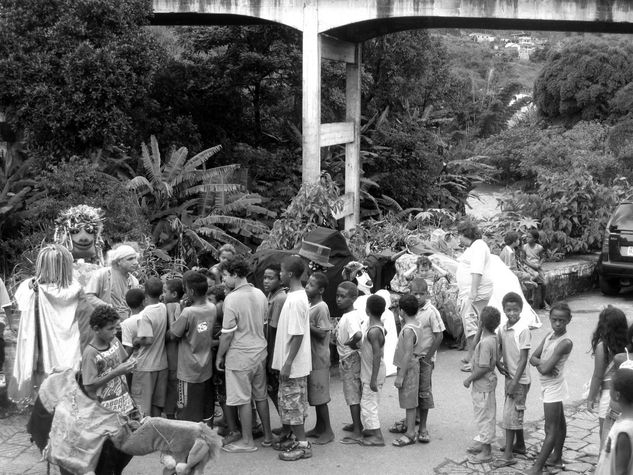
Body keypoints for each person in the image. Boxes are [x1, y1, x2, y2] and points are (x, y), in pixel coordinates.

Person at [10, 244, 85, 405]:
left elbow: (20, 305)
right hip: (65, 346)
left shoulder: (31, 287)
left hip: (41, 346)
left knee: (45, 383)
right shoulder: (75, 288)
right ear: (66, 265)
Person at [217, 257, 272, 453]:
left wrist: (219, 357)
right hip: (259, 352)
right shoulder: (260, 294)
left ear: (234, 274)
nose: (223, 281)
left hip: (240, 355)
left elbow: (227, 334)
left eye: (224, 276)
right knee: (260, 396)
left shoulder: (231, 298)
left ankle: (247, 441)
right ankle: (267, 436)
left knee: (242, 399)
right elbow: (264, 325)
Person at [272, 255, 313, 461]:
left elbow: (297, 334)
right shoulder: (294, 296)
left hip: (294, 364)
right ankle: (296, 439)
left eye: (280, 270)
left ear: (289, 274)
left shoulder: (296, 300)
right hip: (293, 362)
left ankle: (303, 445)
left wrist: (287, 363)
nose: (279, 274)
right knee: (293, 404)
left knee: (293, 405)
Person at [527, 302, 573, 475]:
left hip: (554, 387)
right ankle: (556, 457)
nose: (558, 324)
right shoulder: (549, 335)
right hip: (550, 385)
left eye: (562, 320)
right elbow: (533, 358)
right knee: (559, 423)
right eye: (554, 320)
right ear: (550, 319)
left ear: (569, 320)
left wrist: (541, 364)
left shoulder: (565, 342)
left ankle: (537, 468)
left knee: (550, 429)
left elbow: (545, 369)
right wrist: (542, 363)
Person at [168, 271, 216, 422]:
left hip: (188, 371)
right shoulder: (212, 307)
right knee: (205, 408)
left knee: (186, 411)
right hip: (206, 366)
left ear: (191, 291)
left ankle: (189, 441)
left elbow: (173, 335)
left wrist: (175, 313)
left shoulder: (188, 312)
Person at [494, 291, 531, 468]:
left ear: (521, 310)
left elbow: (524, 359)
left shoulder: (523, 330)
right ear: (504, 310)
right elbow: (500, 348)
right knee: (514, 414)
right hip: (510, 377)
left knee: (509, 417)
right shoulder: (503, 328)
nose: (512, 313)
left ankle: (508, 455)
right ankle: (520, 445)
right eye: (508, 310)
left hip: (520, 380)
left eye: (515, 310)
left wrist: (515, 383)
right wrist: (498, 361)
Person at [81, 305, 137, 415]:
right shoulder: (91, 353)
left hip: (124, 402)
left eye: (116, 328)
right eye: (110, 329)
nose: (115, 332)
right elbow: (89, 386)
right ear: (97, 329)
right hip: (105, 410)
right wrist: (115, 373)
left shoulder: (114, 341)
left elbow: (121, 362)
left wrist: (131, 364)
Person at [455, 219, 494, 372]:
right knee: (477, 326)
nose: (458, 238)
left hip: (475, 294)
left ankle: (476, 361)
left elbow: (477, 271)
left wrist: (472, 293)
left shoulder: (478, 247)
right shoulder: (476, 246)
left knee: (473, 327)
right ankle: (473, 356)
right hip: (474, 293)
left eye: (459, 235)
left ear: (465, 234)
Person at [463, 306, 500, 463]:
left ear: (481, 323)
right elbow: (474, 346)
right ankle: (484, 445)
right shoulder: (494, 338)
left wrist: (469, 378)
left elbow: (484, 367)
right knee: (486, 416)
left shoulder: (485, 344)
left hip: (482, 386)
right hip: (487, 385)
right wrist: (480, 327)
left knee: (484, 418)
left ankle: (486, 452)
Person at [587, 306, 629, 446]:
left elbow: (598, 376)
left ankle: (604, 464)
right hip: (624, 392)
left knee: (605, 434)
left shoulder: (603, 347)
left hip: (608, 395)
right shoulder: (628, 345)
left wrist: (591, 398)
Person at [130, 277, 168, 417]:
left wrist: (135, 341)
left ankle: (144, 436)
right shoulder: (163, 307)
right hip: (161, 364)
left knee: (142, 406)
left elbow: (148, 339)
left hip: (145, 366)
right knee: (157, 404)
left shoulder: (145, 314)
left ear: (145, 294)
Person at [304, 272, 334, 445]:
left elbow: (323, 332)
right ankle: (319, 427)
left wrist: (306, 324)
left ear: (321, 289)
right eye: (308, 283)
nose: (308, 286)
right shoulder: (310, 305)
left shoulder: (321, 307)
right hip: (312, 357)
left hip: (319, 358)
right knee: (315, 394)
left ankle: (328, 431)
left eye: (312, 285)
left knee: (320, 396)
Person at [335, 282, 365, 444]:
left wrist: (350, 344)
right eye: (337, 296)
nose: (338, 299)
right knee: (354, 392)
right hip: (350, 358)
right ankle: (357, 423)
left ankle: (357, 431)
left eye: (343, 296)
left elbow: (358, 335)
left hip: (350, 359)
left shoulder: (350, 316)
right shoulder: (351, 314)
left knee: (352, 394)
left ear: (353, 298)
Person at [85, 244, 140, 330]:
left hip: (124, 327)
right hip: (102, 327)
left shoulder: (134, 282)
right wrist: (108, 308)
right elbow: (89, 296)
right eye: (130, 259)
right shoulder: (101, 274)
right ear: (119, 261)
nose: (136, 262)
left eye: (135, 258)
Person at [391, 294, 422, 447]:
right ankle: (409, 427)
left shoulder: (408, 330)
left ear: (402, 311)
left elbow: (408, 353)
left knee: (409, 402)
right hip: (413, 366)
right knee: (410, 400)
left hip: (408, 369)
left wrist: (400, 376)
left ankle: (410, 433)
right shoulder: (417, 324)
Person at [359, 294, 387, 447]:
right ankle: (370, 430)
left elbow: (377, 355)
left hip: (373, 373)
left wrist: (373, 379)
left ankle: (377, 436)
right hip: (372, 371)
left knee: (369, 404)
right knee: (370, 402)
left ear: (367, 309)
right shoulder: (378, 326)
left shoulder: (373, 331)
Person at [595, 365, 633, 475]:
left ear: (617, 395)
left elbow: (620, 471)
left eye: (611, 387)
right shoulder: (624, 420)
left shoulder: (624, 431)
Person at [263, 263, 287, 413]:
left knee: (276, 390)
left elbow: (274, 331)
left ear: (280, 280)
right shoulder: (271, 295)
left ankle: (287, 427)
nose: (266, 281)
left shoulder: (280, 298)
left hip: (274, 352)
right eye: (265, 278)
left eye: (270, 278)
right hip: (270, 349)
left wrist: (270, 358)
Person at [163, 278, 184, 420]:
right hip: (178, 355)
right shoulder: (182, 305)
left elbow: (173, 334)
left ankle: (171, 413)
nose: (162, 295)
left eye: (165, 292)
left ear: (174, 294)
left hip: (173, 355)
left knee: (173, 385)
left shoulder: (173, 306)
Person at [120, 288, 145, 388]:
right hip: (148, 361)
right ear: (143, 302)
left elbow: (128, 348)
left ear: (127, 304)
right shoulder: (147, 315)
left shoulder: (126, 323)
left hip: (135, 365)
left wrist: (119, 364)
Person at [523, 229, 548, 308]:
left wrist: (539, 264)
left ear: (535, 239)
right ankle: (530, 300)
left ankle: (543, 302)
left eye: (529, 237)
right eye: (527, 237)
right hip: (528, 267)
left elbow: (543, 257)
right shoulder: (524, 247)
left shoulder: (539, 247)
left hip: (537, 267)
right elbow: (523, 259)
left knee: (544, 283)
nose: (527, 238)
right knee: (530, 280)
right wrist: (531, 265)